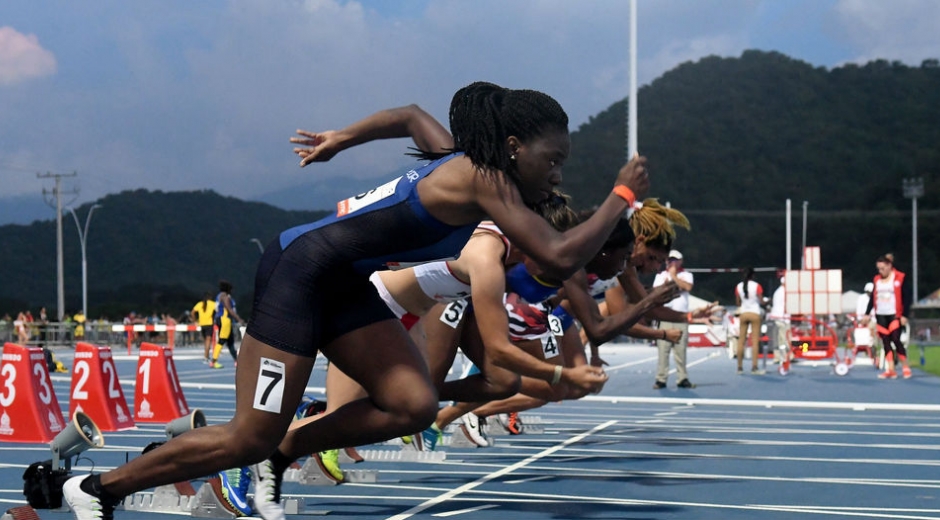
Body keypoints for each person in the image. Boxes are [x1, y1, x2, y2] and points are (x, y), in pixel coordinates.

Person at [63, 82, 651, 520]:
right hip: (299, 275)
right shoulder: (483, 179)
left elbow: (412, 116)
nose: (555, 177)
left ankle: (282, 453)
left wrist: (343, 137)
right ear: (514, 146)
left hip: (344, 283)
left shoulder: (466, 163)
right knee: (249, 434)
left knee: (412, 403)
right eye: (552, 162)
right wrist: (622, 195)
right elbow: (555, 255)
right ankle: (98, 490)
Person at [862, 253, 912, 379]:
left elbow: (907, 297)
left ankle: (905, 366)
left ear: (889, 266)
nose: (880, 271)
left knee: (896, 339)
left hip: (895, 314)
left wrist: (905, 315)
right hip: (881, 314)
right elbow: (873, 297)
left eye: (883, 268)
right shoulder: (877, 280)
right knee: (886, 342)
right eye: (878, 269)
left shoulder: (900, 278)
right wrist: (867, 313)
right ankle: (891, 369)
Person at [651, 249, 695, 389]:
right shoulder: (660, 275)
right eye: (669, 260)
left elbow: (687, 287)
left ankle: (682, 378)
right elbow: (655, 292)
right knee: (663, 350)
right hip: (664, 316)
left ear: (680, 261)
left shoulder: (686, 275)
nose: (671, 262)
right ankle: (661, 378)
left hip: (680, 317)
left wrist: (674, 277)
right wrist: (670, 283)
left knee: (680, 350)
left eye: (674, 260)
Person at [735, 267, 764, 375]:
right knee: (755, 341)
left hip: (744, 313)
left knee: (741, 341)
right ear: (753, 275)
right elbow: (761, 301)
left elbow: (738, 303)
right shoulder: (757, 286)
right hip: (755, 313)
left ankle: (739, 367)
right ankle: (754, 367)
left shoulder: (738, 286)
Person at [210, 280, 244, 368]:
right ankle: (213, 361)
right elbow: (230, 309)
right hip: (225, 320)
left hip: (221, 319)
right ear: (228, 289)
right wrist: (239, 319)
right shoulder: (225, 296)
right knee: (221, 340)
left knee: (230, 342)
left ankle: (237, 361)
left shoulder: (219, 296)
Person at [191, 293, 218, 363]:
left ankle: (207, 355)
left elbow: (192, 312)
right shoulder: (213, 304)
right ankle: (206, 356)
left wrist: (195, 321)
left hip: (202, 324)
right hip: (209, 324)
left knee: (205, 341)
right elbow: (219, 311)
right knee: (208, 341)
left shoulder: (200, 304)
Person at [768, 276, 789, 361]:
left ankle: (777, 356)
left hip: (776, 317)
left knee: (777, 338)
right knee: (785, 338)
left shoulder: (777, 292)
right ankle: (786, 356)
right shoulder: (785, 292)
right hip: (783, 318)